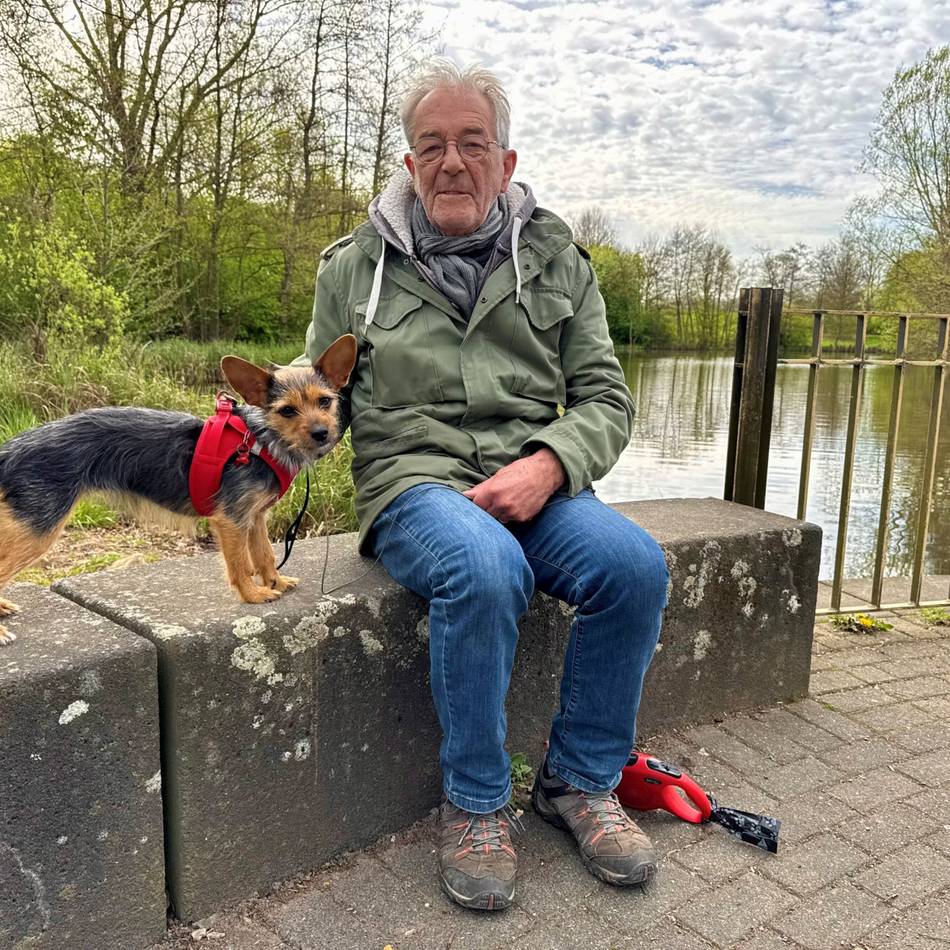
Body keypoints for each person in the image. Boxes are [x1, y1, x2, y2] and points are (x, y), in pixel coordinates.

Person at [300, 60, 669, 912]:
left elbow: (606, 397)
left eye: (473, 144)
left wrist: (551, 464)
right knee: (483, 566)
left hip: (536, 476)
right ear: (409, 164)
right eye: (431, 146)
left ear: (505, 163)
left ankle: (579, 781)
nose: (452, 162)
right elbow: (320, 393)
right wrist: (258, 435)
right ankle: (475, 802)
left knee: (634, 567)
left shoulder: (558, 258)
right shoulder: (351, 268)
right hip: (414, 482)